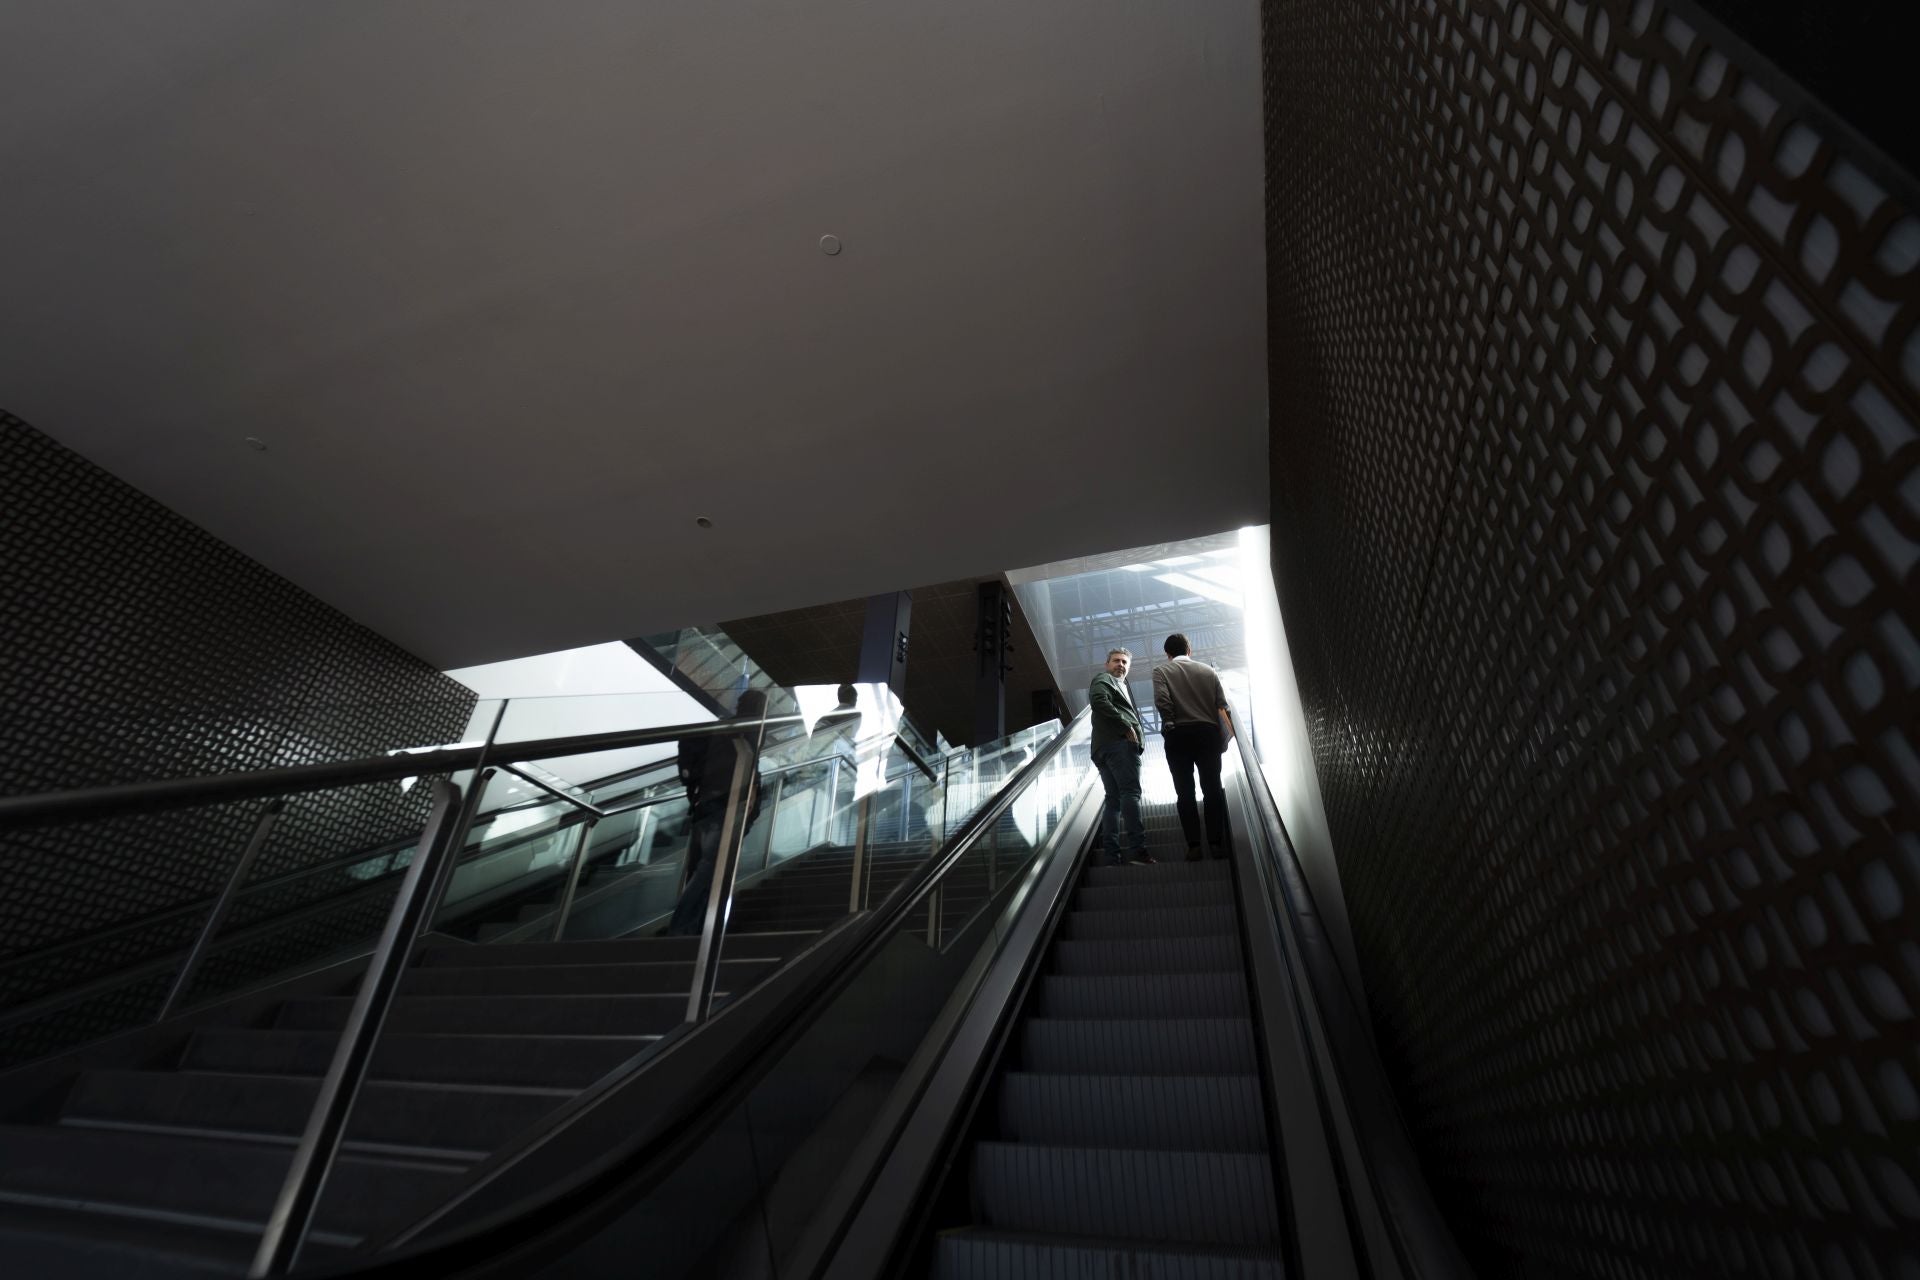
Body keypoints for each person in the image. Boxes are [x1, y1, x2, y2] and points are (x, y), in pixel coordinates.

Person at [668, 688, 768, 935]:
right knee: (711, 870)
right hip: (729, 806)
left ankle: (699, 929)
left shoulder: (721, 728)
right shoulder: (753, 728)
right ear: (760, 708)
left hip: (705, 805)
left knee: (706, 870)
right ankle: (681, 930)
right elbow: (749, 771)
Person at [1152, 633, 1231, 861]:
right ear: (1190, 650)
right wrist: (1222, 738)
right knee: (1212, 788)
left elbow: (1162, 700)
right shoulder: (1209, 671)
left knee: (1185, 791)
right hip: (1208, 734)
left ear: (1167, 654)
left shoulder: (1161, 671)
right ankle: (1216, 843)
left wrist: (1169, 723)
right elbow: (1222, 706)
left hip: (1178, 735)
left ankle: (1194, 846)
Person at [1088, 648, 1152, 865]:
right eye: (1116, 661)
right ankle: (1138, 851)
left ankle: (1111, 855)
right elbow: (1098, 700)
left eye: (1125, 662)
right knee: (1130, 793)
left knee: (1113, 799)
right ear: (1107, 664)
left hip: (1105, 747)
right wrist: (1126, 726)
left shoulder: (1120, 686)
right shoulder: (1104, 679)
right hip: (1117, 745)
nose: (1121, 665)